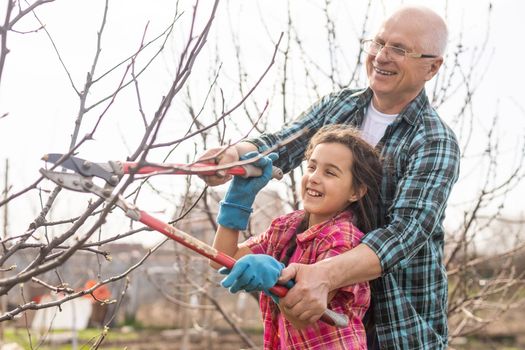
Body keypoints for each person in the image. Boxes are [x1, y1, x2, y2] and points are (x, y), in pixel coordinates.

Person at [200, 5, 460, 350]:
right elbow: (281, 143)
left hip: (397, 327)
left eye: (399, 48)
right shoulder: (338, 106)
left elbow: (405, 233)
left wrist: (321, 275)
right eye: (378, 42)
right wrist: (234, 157)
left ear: (432, 67)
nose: (381, 56)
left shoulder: (434, 140)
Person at [210, 125, 383, 349]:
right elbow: (221, 258)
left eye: (329, 172)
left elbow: (302, 316)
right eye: (311, 167)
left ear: (356, 191)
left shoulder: (345, 238)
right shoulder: (286, 227)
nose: (314, 178)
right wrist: (238, 200)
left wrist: (275, 277)